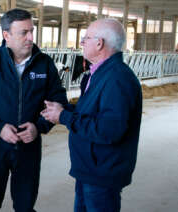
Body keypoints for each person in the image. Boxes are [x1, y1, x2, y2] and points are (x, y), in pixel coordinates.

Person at [0, 9, 68, 212]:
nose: (30, 38)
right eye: (23, 32)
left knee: (25, 206)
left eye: (31, 31)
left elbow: (58, 101)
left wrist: (39, 127)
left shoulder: (44, 64)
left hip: (29, 148)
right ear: (6, 35)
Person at [41, 18, 142, 212]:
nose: (81, 43)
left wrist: (64, 117)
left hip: (102, 172)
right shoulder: (99, 74)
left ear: (99, 43)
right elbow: (91, 113)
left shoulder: (117, 79)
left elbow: (109, 130)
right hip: (90, 168)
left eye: (85, 38)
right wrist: (63, 110)